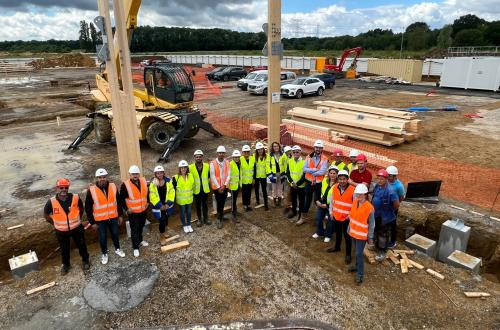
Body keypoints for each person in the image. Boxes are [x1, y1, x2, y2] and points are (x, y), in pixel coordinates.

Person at [43, 178, 89, 275]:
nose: (64, 189)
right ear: (57, 188)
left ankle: (85, 261)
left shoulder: (76, 198)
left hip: (77, 228)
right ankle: (66, 265)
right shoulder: (51, 202)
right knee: (64, 249)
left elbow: (81, 209)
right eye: (61, 187)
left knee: (82, 245)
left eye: (66, 187)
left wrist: (77, 219)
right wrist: (55, 223)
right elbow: (46, 215)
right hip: (61, 231)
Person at [85, 168, 125, 265]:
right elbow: (88, 208)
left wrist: (120, 215)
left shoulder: (113, 186)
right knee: (102, 238)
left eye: (103, 177)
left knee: (115, 234)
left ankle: (117, 249)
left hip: (113, 217)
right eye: (100, 177)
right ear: (96, 178)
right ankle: (104, 253)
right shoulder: (91, 190)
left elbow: (118, 202)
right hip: (100, 220)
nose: (102, 179)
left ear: (106, 177)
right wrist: (92, 222)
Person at [347, 184, 375, 285]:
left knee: (359, 254)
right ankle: (356, 266)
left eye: (360, 194)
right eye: (357, 194)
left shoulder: (369, 208)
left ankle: (360, 274)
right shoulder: (355, 201)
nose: (358, 196)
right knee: (356, 251)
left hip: (362, 235)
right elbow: (352, 215)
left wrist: (370, 237)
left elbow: (372, 224)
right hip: (353, 232)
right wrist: (349, 227)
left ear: (365, 194)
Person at [120, 165, 149, 258]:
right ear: (130, 175)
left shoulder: (143, 181)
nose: (135, 175)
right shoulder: (125, 185)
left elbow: (147, 193)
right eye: (133, 174)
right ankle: (135, 247)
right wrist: (126, 209)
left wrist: (148, 202)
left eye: (136, 174)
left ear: (139, 174)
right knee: (134, 229)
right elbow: (121, 198)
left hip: (143, 210)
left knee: (141, 226)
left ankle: (140, 240)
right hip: (133, 212)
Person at [327, 170, 355, 265]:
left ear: (347, 179)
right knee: (338, 234)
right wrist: (331, 212)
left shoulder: (353, 190)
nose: (342, 181)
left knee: (347, 237)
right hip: (336, 216)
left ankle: (348, 254)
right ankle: (337, 247)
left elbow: (355, 206)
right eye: (340, 179)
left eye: (344, 179)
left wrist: (350, 216)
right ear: (338, 179)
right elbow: (332, 201)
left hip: (347, 219)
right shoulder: (334, 187)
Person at [372, 169, 400, 258]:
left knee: (383, 234)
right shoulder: (377, 186)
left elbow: (396, 204)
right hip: (376, 214)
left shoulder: (391, 191)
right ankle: (377, 246)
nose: (379, 180)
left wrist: (389, 211)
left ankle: (382, 251)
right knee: (375, 230)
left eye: (382, 179)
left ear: (386, 179)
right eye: (378, 178)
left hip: (384, 216)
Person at [301, 139, 329, 225]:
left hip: (318, 183)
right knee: (307, 200)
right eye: (317, 147)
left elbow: (322, 171)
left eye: (320, 148)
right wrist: (314, 169)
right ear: (314, 147)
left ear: (322, 149)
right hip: (309, 183)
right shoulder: (308, 157)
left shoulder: (325, 159)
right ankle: (303, 217)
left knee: (318, 201)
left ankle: (320, 219)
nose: (318, 149)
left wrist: (312, 173)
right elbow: (304, 169)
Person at [149, 165, 175, 245]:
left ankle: (165, 230)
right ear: (155, 174)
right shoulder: (153, 183)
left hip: (166, 204)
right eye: (157, 173)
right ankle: (162, 235)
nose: (159, 175)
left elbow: (172, 192)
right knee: (162, 220)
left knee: (166, 217)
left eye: (161, 173)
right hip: (158, 206)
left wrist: (168, 204)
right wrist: (160, 205)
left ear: (164, 173)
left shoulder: (168, 181)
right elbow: (152, 196)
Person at [312, 165, 338, 242]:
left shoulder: (338, 185)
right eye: (331, 173)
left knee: (330, 221)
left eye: (334, 173)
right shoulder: (324, 180)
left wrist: (327, 205)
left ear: (337, 174)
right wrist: (316, 200)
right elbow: (318, 191)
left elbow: (337, 198)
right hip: (321, 204)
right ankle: (320, 232)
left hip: (331, 206)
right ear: (328, 173)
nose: (332, 175)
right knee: (318, 218)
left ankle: (328, 235)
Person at [210, 146, 231, 229]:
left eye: (222, 153)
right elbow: (212, 176)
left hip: (225, 186)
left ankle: (221, 216)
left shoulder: (227, 162)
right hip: (217, 188)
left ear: (224, 153)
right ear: (217, 153)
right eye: (220, 153)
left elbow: (229, 174)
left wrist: (225, 185)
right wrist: (219, 187)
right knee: (219, 202)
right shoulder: (212, 163)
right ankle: (219, 219)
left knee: (223, 201)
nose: (221, 154)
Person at [189, 150, 211, 226]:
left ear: (202, 157)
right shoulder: (190, 167)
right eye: (197, 157)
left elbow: (209, 175)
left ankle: (206, 218)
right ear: (194, 158)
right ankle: (199, 219)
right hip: (196, 190)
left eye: (200, 156)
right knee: (198, 205)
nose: (198, 158)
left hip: (205, 189)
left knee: (205, 204)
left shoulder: (207, 166)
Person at [173, 160, 195, 233]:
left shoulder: (190, 176)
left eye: (185, 167)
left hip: (189, 199)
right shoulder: (175, 178)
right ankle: (184, 225)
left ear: (187, 168)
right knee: (182, 213)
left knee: (188, 212)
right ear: (179, 169)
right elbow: (171, 188)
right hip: (181, 200)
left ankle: (189, 224)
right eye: (182, 168)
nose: (183, 169)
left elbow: (193, 185)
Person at [285, 145, 306, 223]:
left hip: (301, 186)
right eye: (294, 152)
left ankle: (301, 215)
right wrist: (292, 182)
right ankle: (294, 211)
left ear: (300, 152)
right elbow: (287, 173)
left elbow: (305, 175)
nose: (296, 153)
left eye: (297, 151)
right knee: (293, 200)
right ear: (292, 153)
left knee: (301, 201)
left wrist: (297, 184)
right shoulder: (290, 161)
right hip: (292, 185)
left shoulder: (304, 162)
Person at [386, 165, 405, 248]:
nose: (388, 177)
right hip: (385, 206)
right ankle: (383, 239)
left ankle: (393, 241)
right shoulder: (386, 181)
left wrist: (395, 205)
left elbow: (401, 197)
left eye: (390, 176)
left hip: (393, 208)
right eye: (387, 175)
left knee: (392, 224)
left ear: (394, 176)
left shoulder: (399, 186)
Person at [254, 142, 270, 211]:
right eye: (258, 150)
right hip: (257, 177)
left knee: (264, 190)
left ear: (263, 149)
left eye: (261, 149)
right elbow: (252, 167)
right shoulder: (254, 157)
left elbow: (268, 166)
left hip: (263, 176)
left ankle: (266, 204)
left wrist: (269, 175)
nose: (260, 151)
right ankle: (257, 200)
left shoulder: (267, 156)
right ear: (256, 150)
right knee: (256, 189)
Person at [240, 145, 255, 212]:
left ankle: (248, 205)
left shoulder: (252, 159)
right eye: (245, 152)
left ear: (249, 152)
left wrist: (253, 178)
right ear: (243, 152)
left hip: (250, 180)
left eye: (247, 152)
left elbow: (254, 169)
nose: (246, 153)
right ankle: (245, 205)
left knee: (249, 193)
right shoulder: (240, 159)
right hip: (243, 180)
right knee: (244, 193)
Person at [229, 150, 242, 223]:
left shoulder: (239, 164)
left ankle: (235, 211)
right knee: (233, 201)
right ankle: (233, 215)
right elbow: (229, 176)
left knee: (235, 200)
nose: (237, 158)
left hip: (237, 185)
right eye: (235, 157)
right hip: (233, 186)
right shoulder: (230, 164)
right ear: (233, 157)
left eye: (238, 157)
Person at [269, 141, 283, 207]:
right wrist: (270, 174)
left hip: (281, 173)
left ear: (279, 147)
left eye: (277, 146)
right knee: (274, 188)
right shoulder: (270, 155)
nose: (276, 147)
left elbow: (285, 163)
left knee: (280, 187)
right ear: (272, 147)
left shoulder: (282, 155)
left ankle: (279, 201)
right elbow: (268, 165)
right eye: (274, 146)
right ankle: (274, 201)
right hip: (274, 174)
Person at [280, 146, 293, 215]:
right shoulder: (283, 157)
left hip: (294, 177)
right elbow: (281, 165)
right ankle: (287, 206)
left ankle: (292, 206)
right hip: (287, 177)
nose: (289, 152)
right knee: (288, 193)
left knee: (292, 193)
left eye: (289, 151)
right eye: (287, 151)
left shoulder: (293, 157)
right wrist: (283, 173)